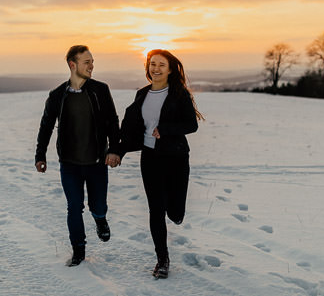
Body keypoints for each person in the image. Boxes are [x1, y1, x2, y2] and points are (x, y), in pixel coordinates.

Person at [108, 49, 203, 279]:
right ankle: (162, 259)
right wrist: (117, 151)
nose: (156, 69)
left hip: (177, 158)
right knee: (156, 210)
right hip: (150, 159)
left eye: (161, 65)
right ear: (147, 67)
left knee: (175, 211)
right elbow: (131, 131)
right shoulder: (142, 94)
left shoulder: (179, 94)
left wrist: (167, 130)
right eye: (152, 64)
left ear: (170, 69)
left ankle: (176, 212)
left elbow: (192, 125)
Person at [35, 45, 121, 267]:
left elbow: (112, 121)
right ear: (73, 65)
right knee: (74, 206)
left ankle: (100, 219)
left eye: (92, 61)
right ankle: (78, 251)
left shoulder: (100, 90)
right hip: (69, 164)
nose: (92, 66)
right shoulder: (57, 96)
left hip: (96, 162)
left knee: (98, 205)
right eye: (87, 62)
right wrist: (40, 155)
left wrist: (114, 149)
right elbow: (46, 126)